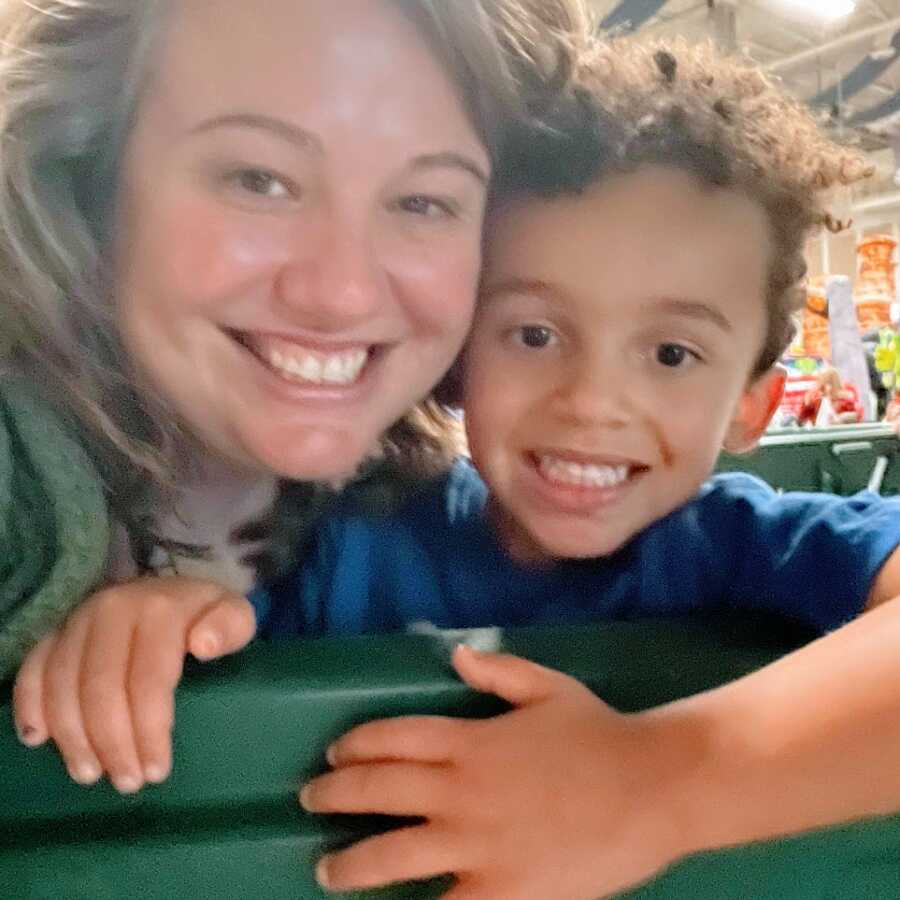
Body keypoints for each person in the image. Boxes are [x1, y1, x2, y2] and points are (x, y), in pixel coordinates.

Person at [3, 0, 587, 790]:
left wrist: (661, 778)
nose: (341, 293)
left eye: (423, 202)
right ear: (88, 179)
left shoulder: (446, 522)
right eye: (259, 180)